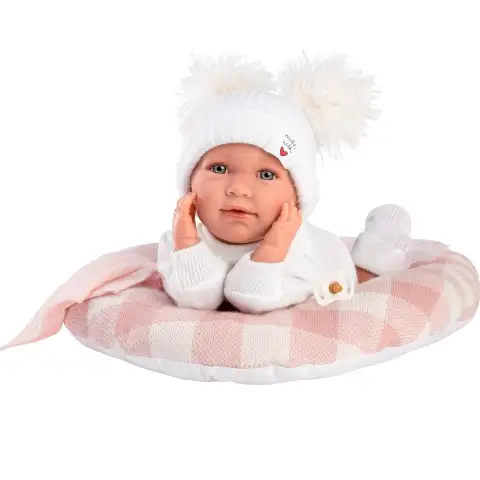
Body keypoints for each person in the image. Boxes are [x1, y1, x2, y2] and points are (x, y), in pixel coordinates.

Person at [156, 53, 414, 314]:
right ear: (190, 182)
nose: (239, 189)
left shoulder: (301, 251)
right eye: (219, 169)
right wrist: (187, 244)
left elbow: (252, 300)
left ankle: (378, 250)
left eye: (266, 175)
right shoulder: (176, 242)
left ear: (297, 195)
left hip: (333, 279)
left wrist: (272, 249)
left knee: (362, 282)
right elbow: (197, 300)